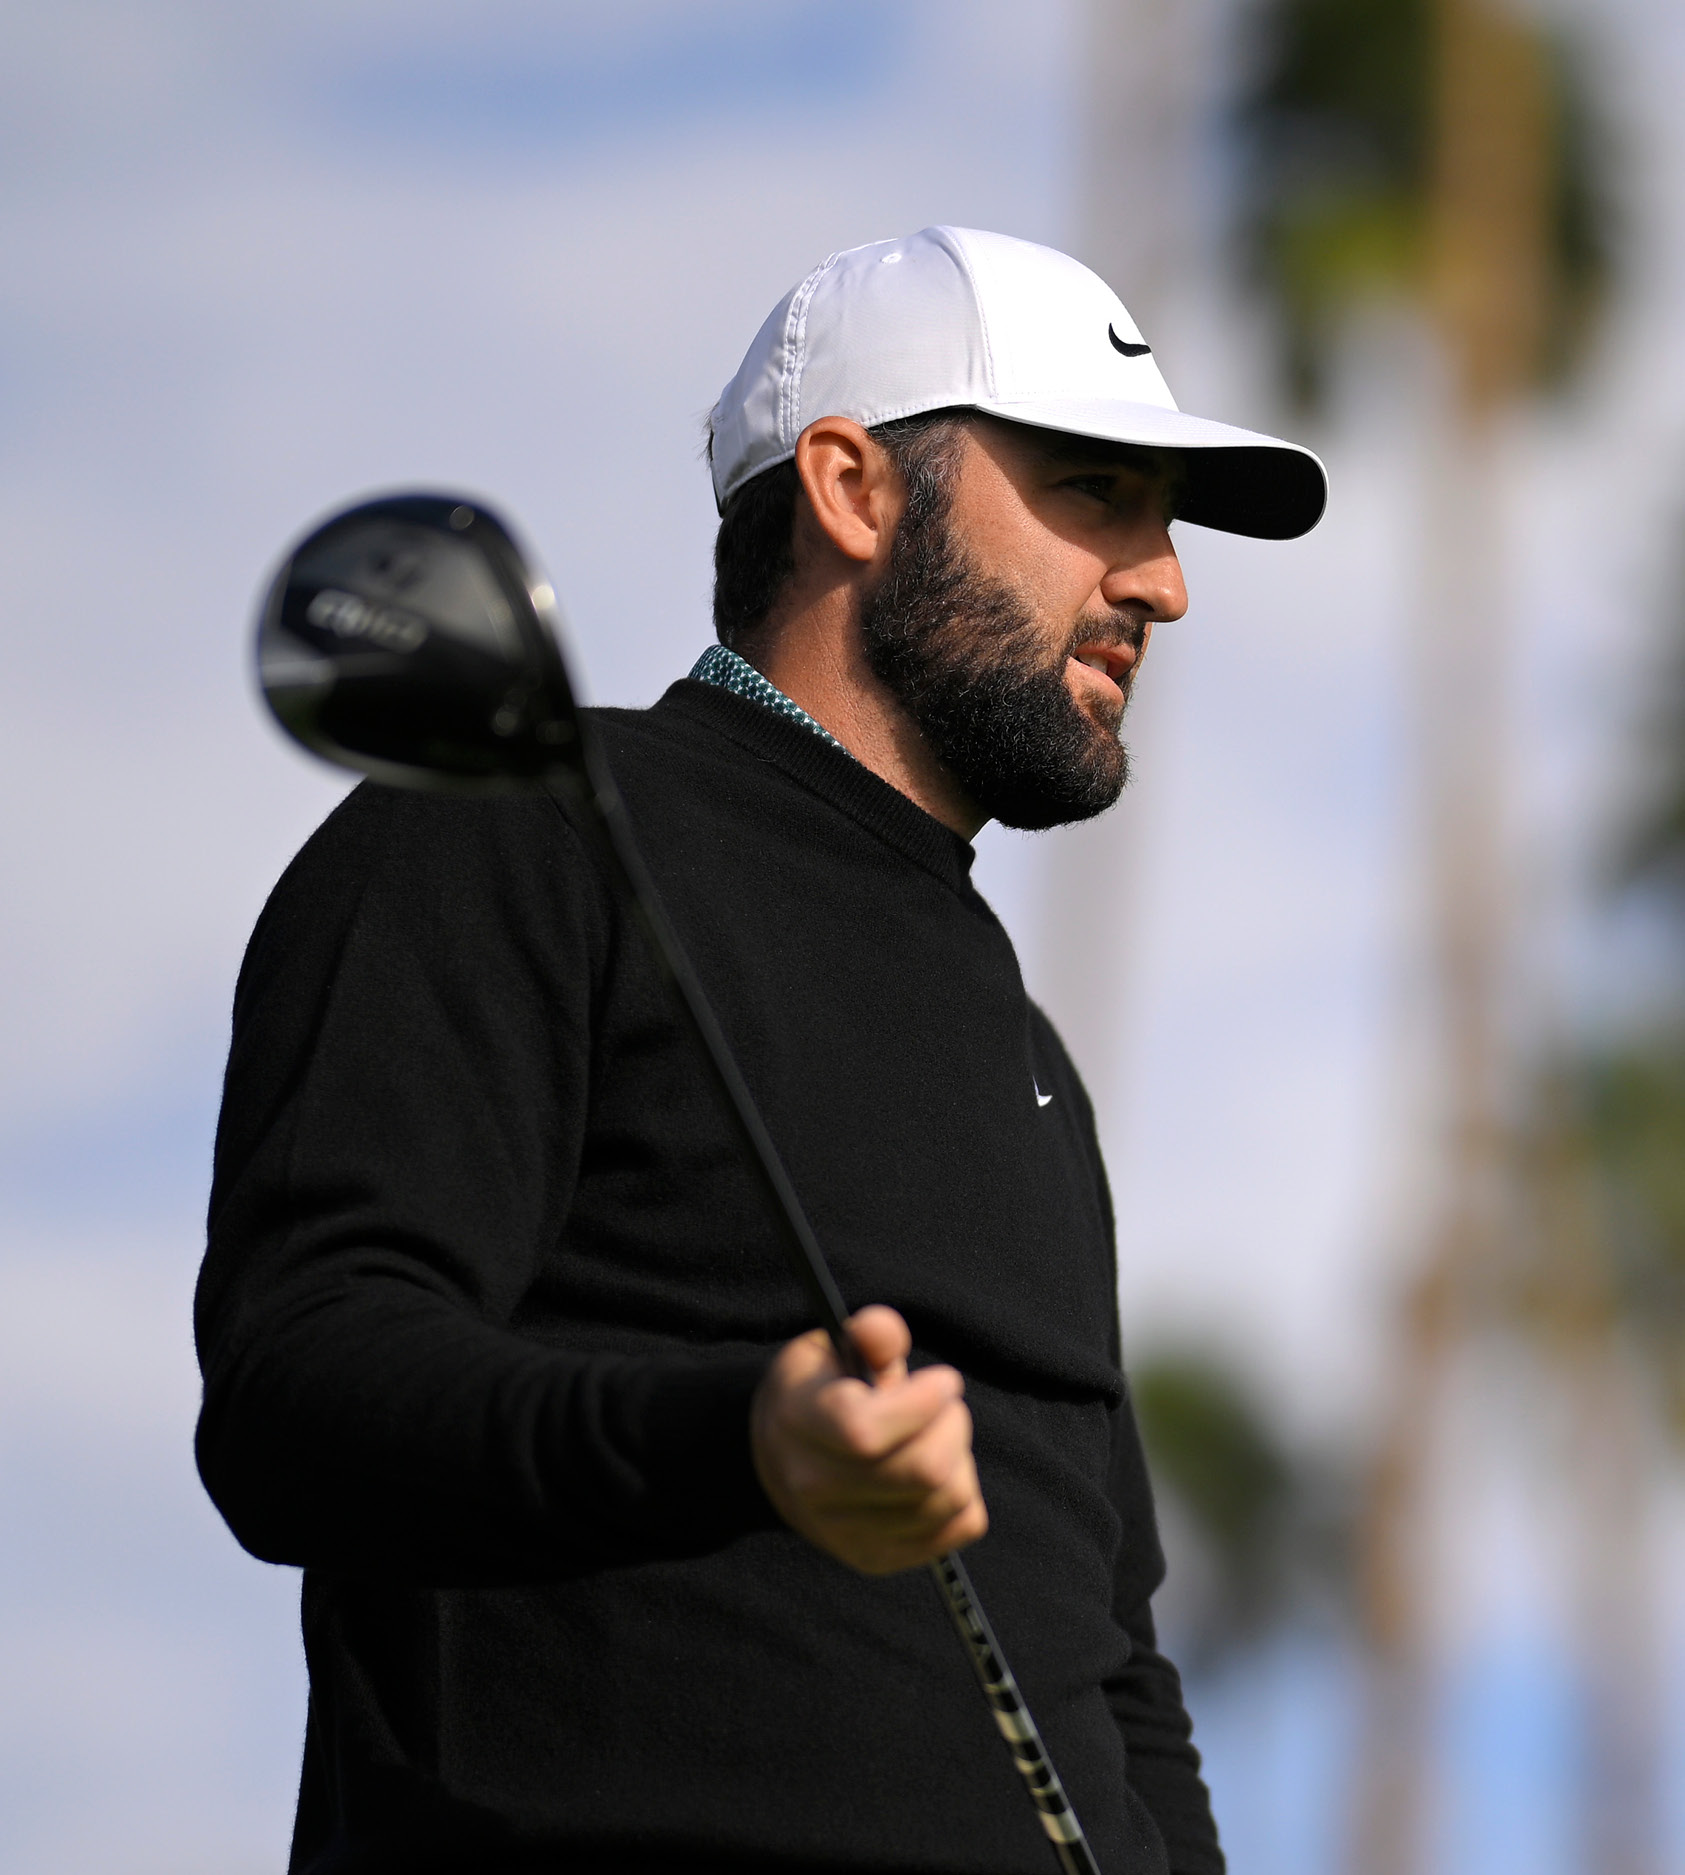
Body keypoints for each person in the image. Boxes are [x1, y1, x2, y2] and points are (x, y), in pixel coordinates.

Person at [196, 226, 1328, 1873]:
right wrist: (740, 1441)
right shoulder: (511, 831)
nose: (1161, 580)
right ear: (852, 488)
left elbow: (1112, 1649)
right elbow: (298, 1396)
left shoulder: (1025, 1056)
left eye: (1161, 521)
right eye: (1092, 489)